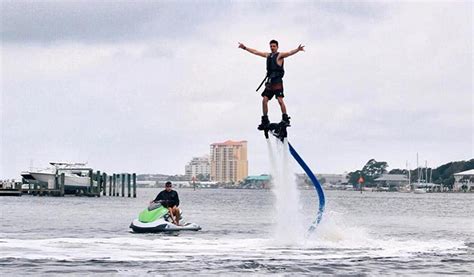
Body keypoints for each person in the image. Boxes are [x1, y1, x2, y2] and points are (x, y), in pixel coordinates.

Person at [238, 40, 305, 130]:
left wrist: (297, 49)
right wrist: (245, 48)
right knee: (264, 100)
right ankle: (265, 120)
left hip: (277, 81)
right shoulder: (268, 55)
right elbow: (256, 52)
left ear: (277, 47)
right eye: (271, 46)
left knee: (280, 100)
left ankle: (285, 118)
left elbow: (289, 53)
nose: (272, 47)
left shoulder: (280, 55)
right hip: (270, 82)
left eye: (274, 46)